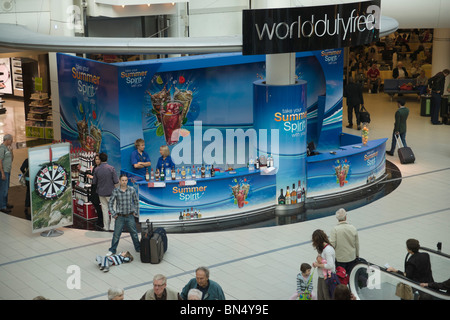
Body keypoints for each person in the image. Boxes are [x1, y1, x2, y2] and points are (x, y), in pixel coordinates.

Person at [107, 174, 140, 256]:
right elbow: (110, 203)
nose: (124, 182)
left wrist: (135, 211)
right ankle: (112, 250)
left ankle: (138, 248)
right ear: (119, 181)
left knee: (134, 233)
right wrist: (113, 214)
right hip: (119, 216)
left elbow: (136, 202)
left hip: (130, 216)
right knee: (116, 235)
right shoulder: (116, 191)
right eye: (122, 180)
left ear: (127, 181)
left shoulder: (131, 190)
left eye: (125, 180)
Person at [329, 208, 360, 276]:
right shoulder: (352, 228)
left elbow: (332, 244)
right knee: (351, 276)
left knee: (341, 277)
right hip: (351, 257)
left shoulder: (335, 229)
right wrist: (357, 254)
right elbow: (356, 244)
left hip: (340, 258)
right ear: (345, 217)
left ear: (337, 218)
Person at [93, 152, 119, 231]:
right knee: (113, 209)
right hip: (110, 192)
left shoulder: (96, 169)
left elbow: (94, 182)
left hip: (101, 192)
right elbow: (116, 181)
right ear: (107, 159)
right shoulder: (111, 168)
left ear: (100, 159)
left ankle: (106, 226)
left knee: (104, 209)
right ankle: (112, 226)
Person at [312, 229, 336, 300]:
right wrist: (316, 263)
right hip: (322, 276)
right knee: (321, 296)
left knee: (327, 296)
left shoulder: (328, 250)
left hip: (328, 277)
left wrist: (318, 265)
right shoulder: (322, 249)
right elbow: (321, 260)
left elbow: (330, 265)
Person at [87, 154, 103, 229]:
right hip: (94, 187)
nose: (97, 161)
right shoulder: (95, 167)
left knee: (97, 202)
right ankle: (99, 218)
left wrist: (92, 177)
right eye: (96, 159)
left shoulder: (101, 168)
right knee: (94, 201)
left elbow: (100, 178)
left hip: (99, 188)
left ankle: (101, 219)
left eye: (98, 159)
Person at [0, 134, 13, 214]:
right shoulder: (2, 148)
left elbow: (11, 159)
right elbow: (0, 161)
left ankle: (5, 203)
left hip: (8, 171)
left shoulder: (7, 148)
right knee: (3, 189)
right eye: (11, 140)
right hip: (4, 171)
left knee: (6, 188)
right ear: (7, 140)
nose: (12, 141)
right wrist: (2, 173)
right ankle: (2, 206)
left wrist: (11, 151)